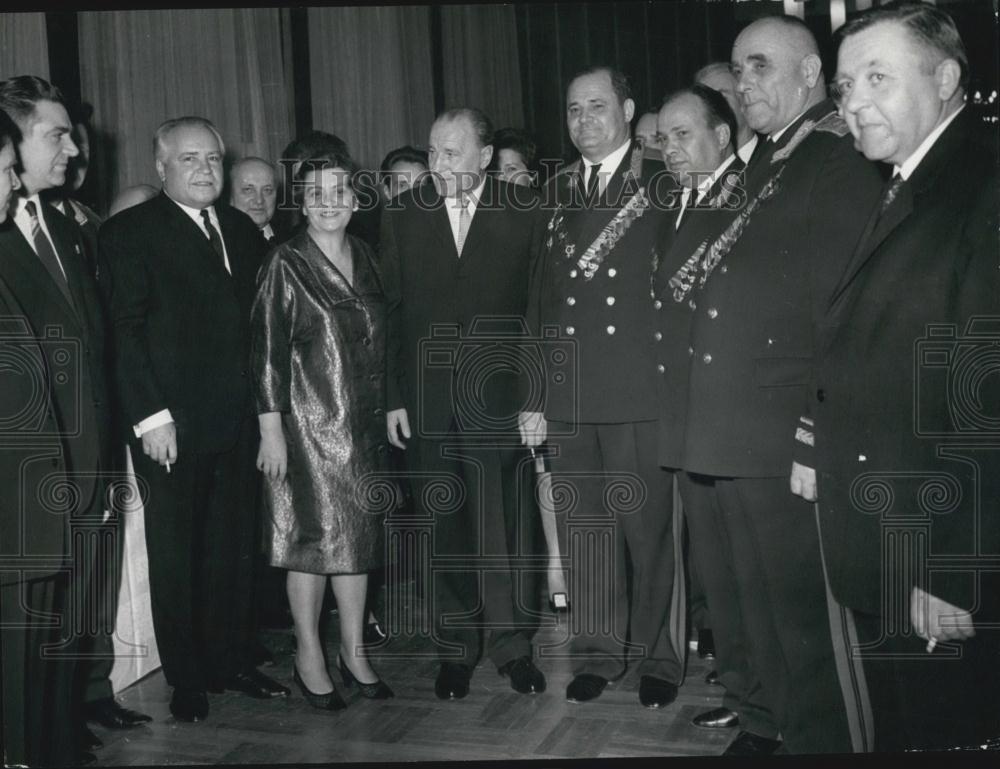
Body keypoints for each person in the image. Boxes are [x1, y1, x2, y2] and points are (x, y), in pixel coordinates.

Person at [669, 17, 884, 755]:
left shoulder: (836, 159)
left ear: (810, 73)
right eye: (738, 68)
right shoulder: (772, 162)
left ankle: (821, 742)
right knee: (755, 607)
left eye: (761, 66)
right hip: (733, 426)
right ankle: (770, 727)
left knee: (805, 621)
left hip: (782, 427)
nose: (745, 82)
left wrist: (811, 431)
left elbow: (841, 310)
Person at [794, 2, 999, 751]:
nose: (854, 103)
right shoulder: (903, 178)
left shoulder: (981, 186)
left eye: (877, 77)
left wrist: (952, 569)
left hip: (934, 556)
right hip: (887, 538)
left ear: (946, 78)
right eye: (846, 86)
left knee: (947, 736)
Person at [98, 116, 288, 723]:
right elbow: (124, 333)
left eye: (213, 159)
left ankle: (231, 658)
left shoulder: (241, 229)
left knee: (232, 548)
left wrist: (268, 417)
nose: (206, 170)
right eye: (189, 160)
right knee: (177, 552)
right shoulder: (130, 233)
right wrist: (151, 418)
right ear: (160, 168)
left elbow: (260, 332)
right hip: (170, 427)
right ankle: (187, 677)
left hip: (237, 421)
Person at [523, 66, 683, 709]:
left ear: (627, 108)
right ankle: (595, 650)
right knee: (585, 529)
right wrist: (534, 394)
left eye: (597, 106)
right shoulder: (557, 189)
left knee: (649, 532)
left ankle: (658, 659)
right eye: (572, 109)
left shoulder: (663, 184)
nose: (583, 119)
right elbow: (539, 299)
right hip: (569, 394)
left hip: (640, 392)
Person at [382, 107, 546, 701]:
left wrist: (535, 396)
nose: (438, 164)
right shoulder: (402, 213)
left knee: (507, 524)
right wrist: (393, 397)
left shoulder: (526, 209)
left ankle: (512, 646)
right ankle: (456, 648)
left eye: (452, 153)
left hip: (500, 396)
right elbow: (391, 313)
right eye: (432, 152)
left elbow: (537, 309)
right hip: (425, 401)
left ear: (483, 155)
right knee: (441, 522)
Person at [252, 148, 393, 710]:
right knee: (308, 546)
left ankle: (355, 652)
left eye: (339, 192)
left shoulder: (368, 255)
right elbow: (265, 354)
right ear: (301, 204)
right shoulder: (284, 262)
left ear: (355, 200)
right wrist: (271, 432)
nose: (329, 203)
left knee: (357, 543)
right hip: (306, 428)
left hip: (363, 427)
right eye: (315, 194)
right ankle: (308, 652)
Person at [0, 77, 111, 766]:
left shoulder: (68, 226)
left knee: (62, 620)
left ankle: (60, 730)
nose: (71, 147)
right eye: (55, 134)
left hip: (75, 458)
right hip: (23, 479)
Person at [653, 83, 756, 734]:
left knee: (751, 574)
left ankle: (771, 710)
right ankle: (750, 695)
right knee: (720, 573)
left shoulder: (750, 199)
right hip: (690, 423)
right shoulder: (679, 204)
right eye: (663, 138)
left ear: (724, 135)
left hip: (740, 426)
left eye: (683, 134)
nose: (669, 149)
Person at [693, 62, 759, 164]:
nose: (710, 108)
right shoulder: (697, 170)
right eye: (703, 102)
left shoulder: (776, 159)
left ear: (745, 101)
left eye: (720, 98)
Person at [230, 157, 281, 243]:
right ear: (230, 195)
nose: (259, 200)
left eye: (267, 190)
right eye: (248, 190)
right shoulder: (219, 244)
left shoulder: (292, 241)